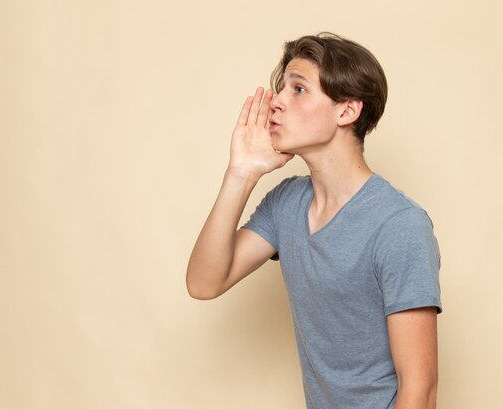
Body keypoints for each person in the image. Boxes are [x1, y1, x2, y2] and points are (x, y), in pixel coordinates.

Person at [186, 32, 442, 409]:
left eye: (298, 89)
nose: (276, 102)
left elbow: (420, 390)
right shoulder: (287, 203)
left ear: (347, 111)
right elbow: (204, 282)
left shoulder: (399, 225)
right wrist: (241, 172)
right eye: (281, 88)